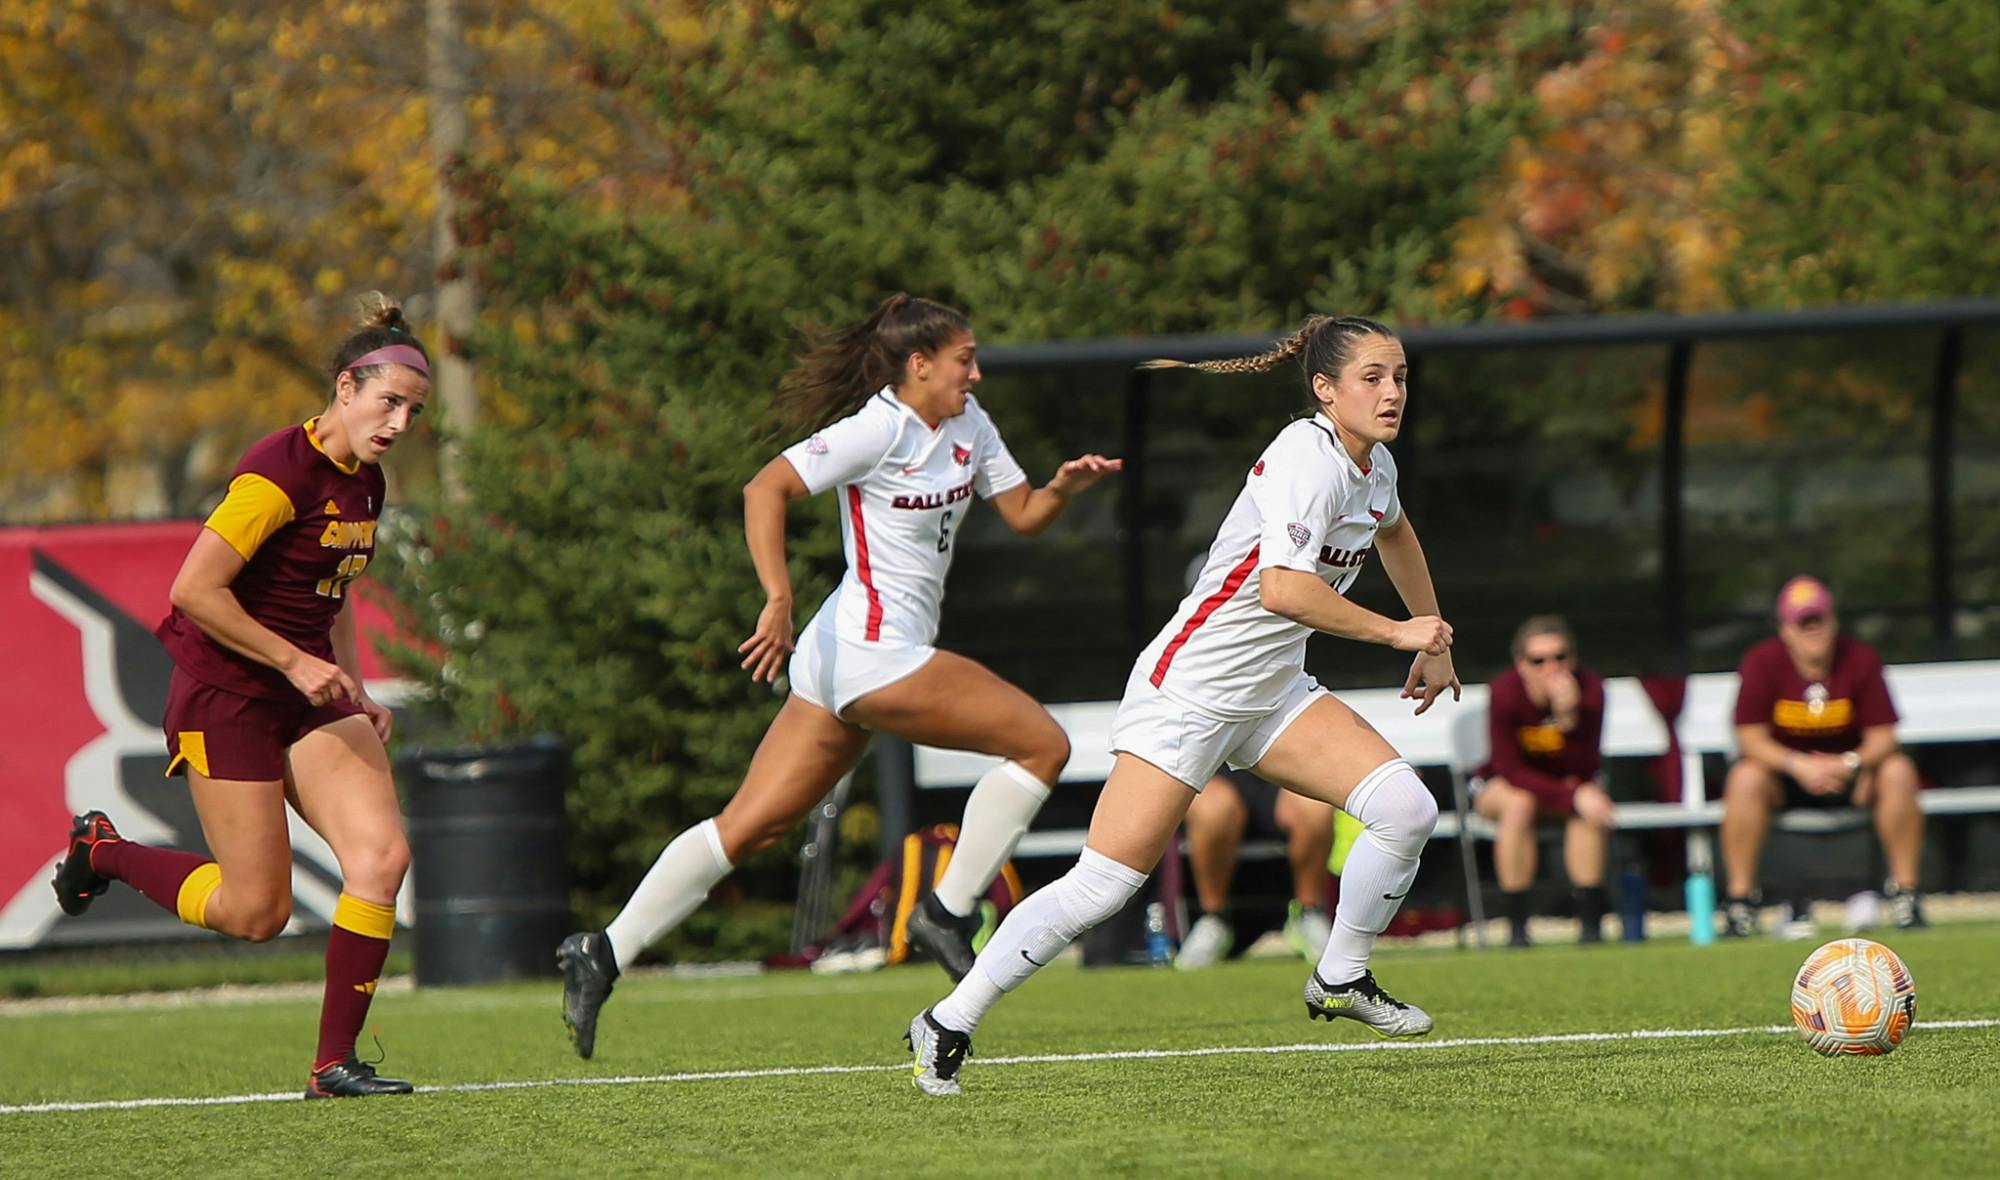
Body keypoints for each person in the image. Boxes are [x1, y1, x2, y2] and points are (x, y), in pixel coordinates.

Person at [906, 314, 1461, 1097]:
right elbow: (1284, 589)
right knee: (1103, 885)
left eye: (1400, 376)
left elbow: (1396, 535)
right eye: (1372, 377)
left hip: (1271, 696)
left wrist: (1432, 642)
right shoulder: (1308, 456)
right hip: (1189, 693)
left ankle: (1340, 976)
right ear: (1325, 389)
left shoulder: (1374, 468)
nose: (1393, 391)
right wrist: (1400, 632)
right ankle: (947, 1020)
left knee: (1405, 809)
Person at [556, 294, 1119, 1058]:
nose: (976, 374)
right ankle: (946, 913)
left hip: (849, 658)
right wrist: (778, 597)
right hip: (868, 652)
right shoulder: (876, 429)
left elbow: (1021, 513)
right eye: (965, 360)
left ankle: (603, 951)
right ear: (919, 366)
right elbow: (766, 489)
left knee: (749, 827)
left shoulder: (969, 425)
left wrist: (1061, 490)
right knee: (1042, 746)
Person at [49, 294, 427, 1098]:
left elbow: (338, 584)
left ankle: (333, 1066)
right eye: (388, 401)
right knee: (258, 913)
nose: (398, 422)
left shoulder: (368, 482)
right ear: (344, 388)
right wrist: (296, 664)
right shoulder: (277, 470)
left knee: (381, 858)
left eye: (413, 410)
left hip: (307, 689)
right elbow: (194, 590)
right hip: (229, 695)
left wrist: (350, 682)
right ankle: (101, 852)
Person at [1719, 576, 1923, 937]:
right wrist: (1797, 765)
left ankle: (1905, 895)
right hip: (1785, 778)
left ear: (1833, 621)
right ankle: (1741, 903)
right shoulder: (1762, 662)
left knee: (1898, 770)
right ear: (1785, 629)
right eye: (1803, 623)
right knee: (1745, 777)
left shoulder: (1860, 659)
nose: (1812, 630)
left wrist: (1848, 763)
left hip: (1852, 776)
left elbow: (1884, 736)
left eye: (1818, 620)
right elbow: (1749, 736)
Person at [1469, 615, 1615, 947]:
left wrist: (1568, 717)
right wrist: (1573, 794)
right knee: (1521, 803)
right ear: (1521, 664)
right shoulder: (1505, 691)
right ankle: (1518, 926)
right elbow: (1508, 767)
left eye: (1560, 657)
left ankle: (1591, 923)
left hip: (1564, 784)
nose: (1551, 667)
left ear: (1573, 658)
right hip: (1504, 785)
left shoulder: (1590, 690)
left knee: (1588, 808)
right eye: (1539, 660)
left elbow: (1586, 764)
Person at [1174, 768, 1335, 968]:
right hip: (1215, 773)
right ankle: (1214, 918)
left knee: (1315, 804)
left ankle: (1308, 913)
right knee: (1212, 809)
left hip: (1277, 772)